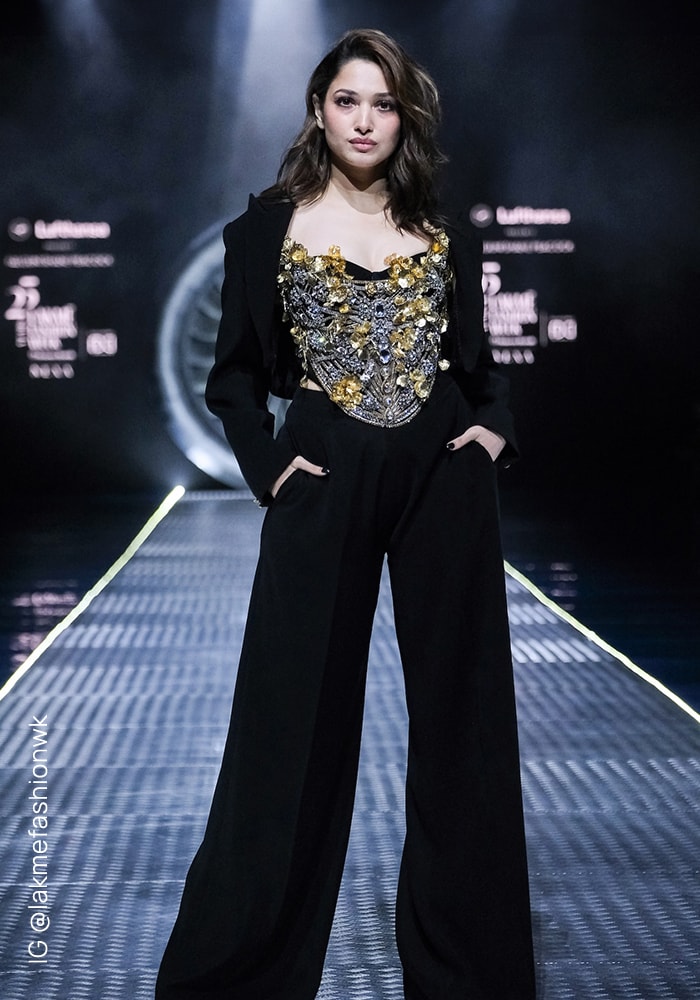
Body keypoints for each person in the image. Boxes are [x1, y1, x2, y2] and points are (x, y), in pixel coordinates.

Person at [155, 27, 536, 1000]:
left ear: (404, 117)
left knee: (464, 722)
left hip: (442, 478)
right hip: (321, 475)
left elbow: (482, 370)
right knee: (288, 724)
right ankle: (244, 971)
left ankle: (469, 974)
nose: (364, 120)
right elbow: (233, 378)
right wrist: (269, 466)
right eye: (346, 100)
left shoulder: (441, 230)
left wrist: (490, 433)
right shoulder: (265, 230)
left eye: (383, 103)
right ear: (318, 111)